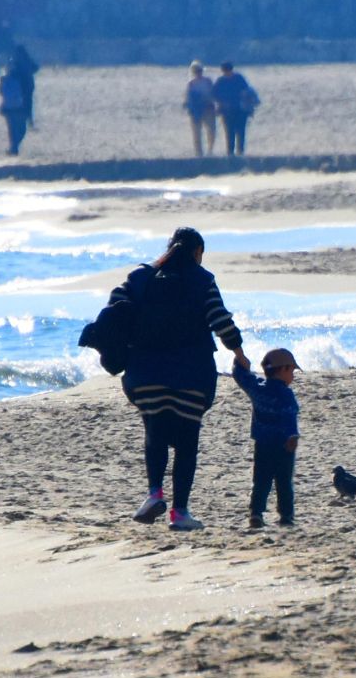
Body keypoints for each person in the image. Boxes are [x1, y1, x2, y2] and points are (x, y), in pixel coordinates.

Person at [103, 227, 247, 532]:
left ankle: (153, 493)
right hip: (192, 374)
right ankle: (179, 513)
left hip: (145, 373)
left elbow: (115, 309)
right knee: (186, 441)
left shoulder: (140, 277)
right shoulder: (203, 280)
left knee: (155, 429)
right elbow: (220, 320)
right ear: (197, 253)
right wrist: (239, 352)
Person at [233, 347, 301, 528]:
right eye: (292, 371)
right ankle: (286, 515)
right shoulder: (286, 394)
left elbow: (243, 378)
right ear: (284, 369)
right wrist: (292, 436)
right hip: (283, 446)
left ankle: (256, 513)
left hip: (262, 445)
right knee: (284, 481)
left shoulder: (258, 388)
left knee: (261, 481)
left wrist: (238, 363)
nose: (293, 375)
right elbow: (290, 415)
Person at [211, 61, 258, 157]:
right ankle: (230, 152)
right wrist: (221, 102)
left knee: (241, 131)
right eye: (225, 71)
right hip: (227, 111)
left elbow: (247, 91)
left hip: (240, 110)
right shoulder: (221, 81)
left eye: (228, 71)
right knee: (229, 132)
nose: (227, 73)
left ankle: (240, 151)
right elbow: (214, 94)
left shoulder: (239, 78)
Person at [184, 60, 216, 157]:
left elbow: (213, 94)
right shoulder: (191, 84)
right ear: (193, 72)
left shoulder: (208, 81)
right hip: (196, 111)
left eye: (200, 70)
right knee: (196, 133)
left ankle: (210, 150)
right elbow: (188, 98)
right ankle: (199, 153)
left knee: (211, 131)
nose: (198, 72)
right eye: (196, 71)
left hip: (208, 108)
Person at [0, 68, 29, 156]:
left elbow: (1, 92)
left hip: (12, 107)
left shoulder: (7, 80)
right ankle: (14, 147)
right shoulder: (12, 80)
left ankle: (14, 147)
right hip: (14, 107)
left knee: (15, 129)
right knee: (18, 129)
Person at [9, 45, 40, 128]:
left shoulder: (16, 61)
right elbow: (36, 67)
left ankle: (22, 122)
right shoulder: (27, 60)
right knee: (28, 104)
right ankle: (29, 121)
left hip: (21, 86)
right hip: (29, 85)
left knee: (21, 105)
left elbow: (13, 73)